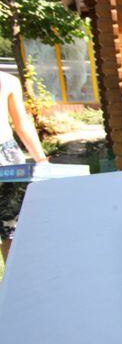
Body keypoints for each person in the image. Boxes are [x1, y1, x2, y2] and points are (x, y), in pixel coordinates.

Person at [1, 71, 48, 262]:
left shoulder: (8, 81)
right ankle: (15, 286)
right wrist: (41, 161)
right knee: (11, 228)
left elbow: (22, 124)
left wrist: (42, 162)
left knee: (12, 227)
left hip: (7, 159)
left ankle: (14, 284)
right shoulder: (7, 80)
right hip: (7, 156)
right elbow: (21, 125)